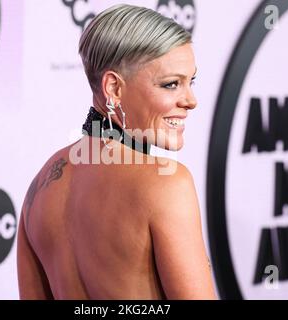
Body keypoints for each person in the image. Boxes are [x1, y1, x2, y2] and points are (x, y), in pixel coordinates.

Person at [17, 4, 217, 300]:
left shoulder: (42, 185)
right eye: (171, 84)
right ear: (114, 88)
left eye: (191, 82)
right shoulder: (167, 184)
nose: (190, 100)